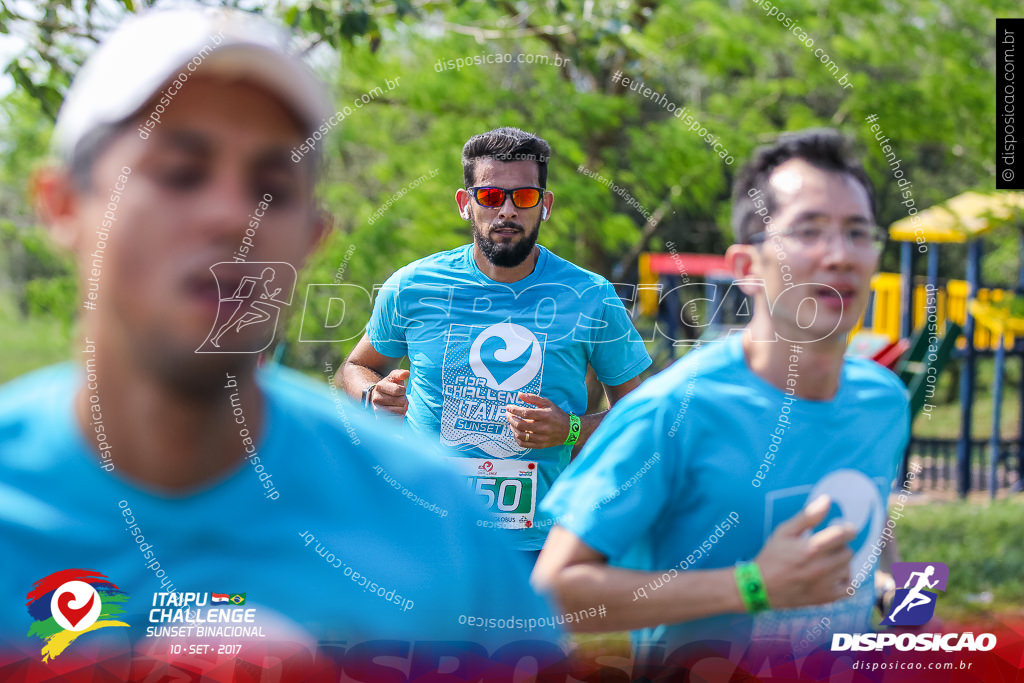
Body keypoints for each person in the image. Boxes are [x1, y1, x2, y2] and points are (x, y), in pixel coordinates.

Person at [0, 6, 560, 674]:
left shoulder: (438, 521)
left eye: (273, 188)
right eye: (179, 171)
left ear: (312, 237)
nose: (235, 216)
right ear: (62, 204)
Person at [533, 129, 911, 669]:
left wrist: (905, 605)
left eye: (857, 232)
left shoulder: (883, 401)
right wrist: (753, 587)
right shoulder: (672, 411)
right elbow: (554, 592)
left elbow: (875, 517)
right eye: (808, 231)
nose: (840, 255)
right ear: (745, 268)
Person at [339, 127, 652, 554]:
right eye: (489, 196)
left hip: (539, 545)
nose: (506, 210)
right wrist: (372, 395)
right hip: (426, 535)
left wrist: (571, 429)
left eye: (523, 197)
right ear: (466, 204)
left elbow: (642, 416)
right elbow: (354, 367)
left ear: (545, 205)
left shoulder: (590, 296)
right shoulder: (413, 286)